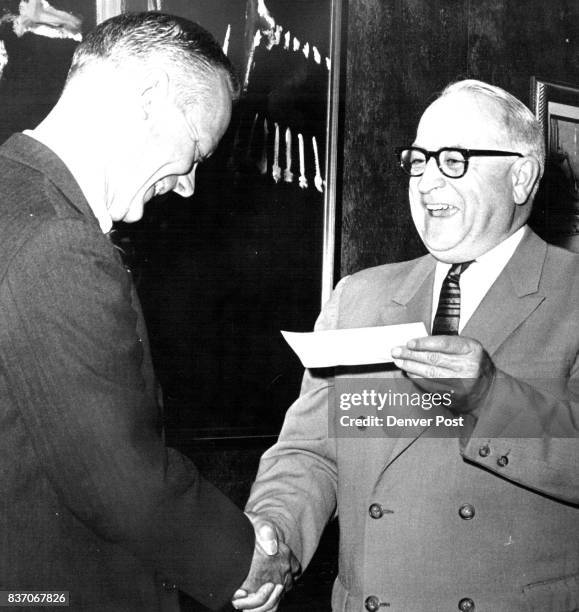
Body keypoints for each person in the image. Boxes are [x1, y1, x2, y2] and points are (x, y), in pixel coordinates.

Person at [0, 12, 297, 612]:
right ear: (150, 100)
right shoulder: (60, 243)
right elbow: (116, 483)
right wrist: (245, 559)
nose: (188, 185)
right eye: (196, 151)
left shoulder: (12, 194)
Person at [246, 79, 579, 611]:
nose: (425, 182)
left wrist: (490, 397)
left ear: (521, 176)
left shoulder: (572, 295)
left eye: (453, 160)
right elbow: (311, 452)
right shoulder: (359, 297)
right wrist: (275, 534)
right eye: (418, 160)